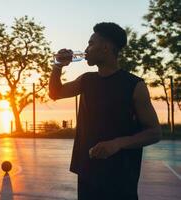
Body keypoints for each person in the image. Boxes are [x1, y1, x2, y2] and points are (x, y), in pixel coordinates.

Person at [49, 22, 162, 200]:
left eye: (91, 43)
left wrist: (117, 143)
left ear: (106, 48)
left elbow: (154, 132)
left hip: (121, 177)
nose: (86, 49)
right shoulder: (86, 80)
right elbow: (55, 93)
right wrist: (57, 66)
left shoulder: (134, 85)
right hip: (87, 172)